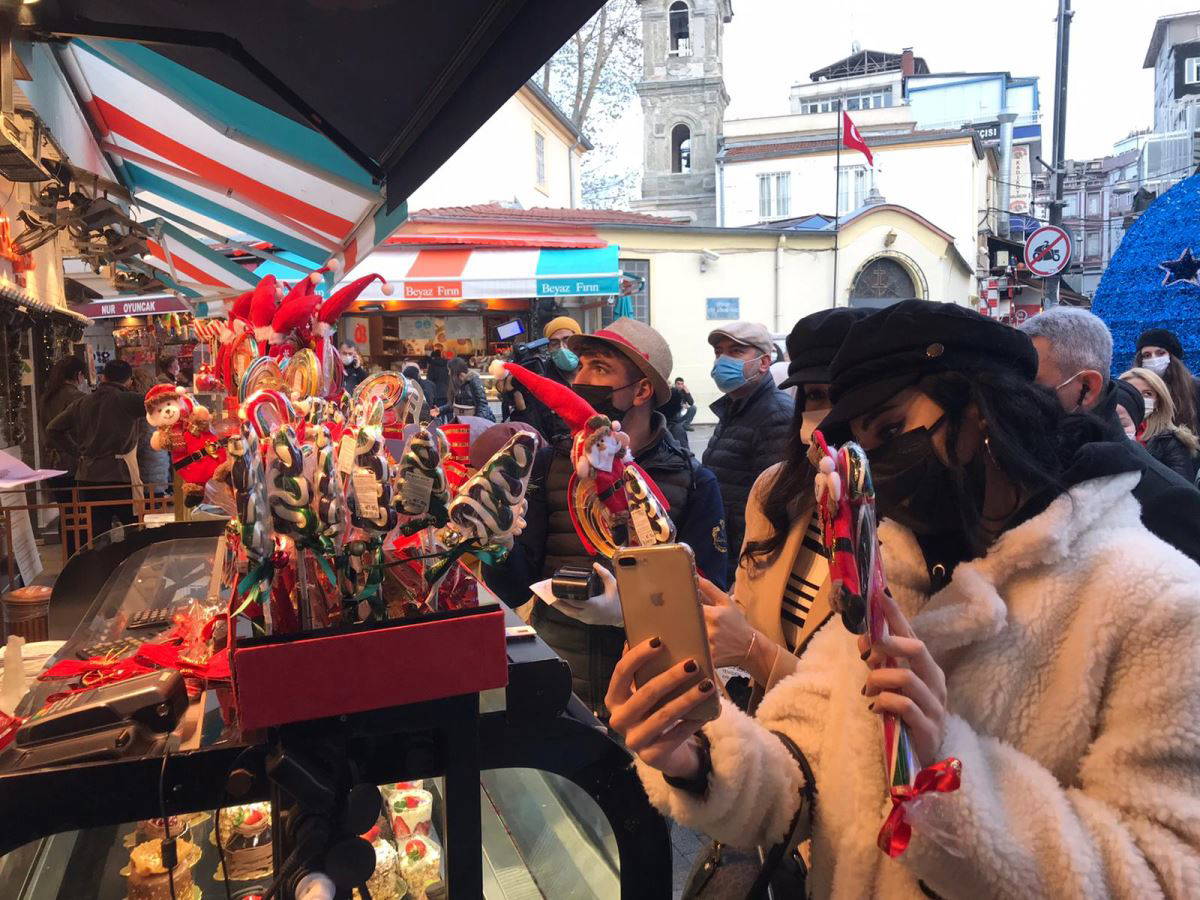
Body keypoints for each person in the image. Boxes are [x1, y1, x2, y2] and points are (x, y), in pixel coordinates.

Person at [608, 300, 1200, 898]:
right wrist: (697, 758)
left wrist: (946, 774)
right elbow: (805, 763)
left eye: (892, 431)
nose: (882, 468)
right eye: (863, 449)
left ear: (982, 408)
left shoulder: (1157, 603)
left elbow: (1166, 874)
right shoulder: (890, 567)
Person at [486, 317, 728, 716]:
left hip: (650, 695)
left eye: (599, 368)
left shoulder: (693, 480)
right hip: (558, 686)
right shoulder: (552, 463)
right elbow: (516, 588)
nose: (581, 378)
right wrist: (496, 545)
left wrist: (628, 614)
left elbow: (711, 605)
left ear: (642, 390)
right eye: (580, 366)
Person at [701, 307, 867, 710]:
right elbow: (747, 604)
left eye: (839, 395)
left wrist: (754, 652)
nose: (828, 413)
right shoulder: (776, 490)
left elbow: (861, 707)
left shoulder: (891, 536)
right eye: (813, 396)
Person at [1021, 307, 1200, 563]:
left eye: (1033, 385)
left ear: (1088, 387)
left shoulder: (1167, 499)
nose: (1019, 397)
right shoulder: (1021, 464)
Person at [701, 321, 794, 584]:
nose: (722, 360)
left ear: (764, 362)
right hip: (724, 552)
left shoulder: (776, 414)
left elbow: (775, 508)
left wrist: (745, 571)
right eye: (719, 352)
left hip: (745, 563)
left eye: (736, 351)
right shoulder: (735, 408)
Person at [46, 359, 147, 542]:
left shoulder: (83, 401)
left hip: (87, 477)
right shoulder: (129, 399)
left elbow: (53, 429)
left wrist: (77, 452)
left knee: (95, 536)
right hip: (120, 476)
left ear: (104, 377)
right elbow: (162, 406)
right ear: (129, 380)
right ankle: (131, 568)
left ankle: (98, 568)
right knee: (134, 531)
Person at [40, 357, 88, 552]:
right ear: (78, 375)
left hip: (51, 465)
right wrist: (78, 451)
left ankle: (68, 558)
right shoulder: (76, 397)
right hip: (72, 465)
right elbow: (82, 430)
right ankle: (79, 559)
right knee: (79, 515)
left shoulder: (47, 397)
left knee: (66, 513)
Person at [1121, 366, 1200, 481]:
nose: (1138, 399)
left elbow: (1180, 491)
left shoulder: (1170, 441)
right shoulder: (1100, 433)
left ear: (1159, 401)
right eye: (1131, 392)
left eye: (1147, 394)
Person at [1134, 327, 1200, 432]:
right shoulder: (1133, 389)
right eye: (1147, 355)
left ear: (1172, 357)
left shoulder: (1195, 387)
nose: (1153, 359)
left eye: (1160, 353)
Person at [448, 357, 495, 421]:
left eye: (450, 371)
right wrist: (440, 410)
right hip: (467, 422)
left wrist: (476, 423)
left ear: (457, 372)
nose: (449, 373)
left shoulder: (474, 381)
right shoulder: (460, 384)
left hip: (476, 423)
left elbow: (482, 406)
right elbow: (456, 405)